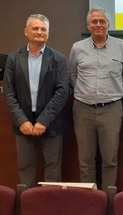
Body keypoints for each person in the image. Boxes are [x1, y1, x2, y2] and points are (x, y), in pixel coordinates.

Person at [69, 7, 123, 190]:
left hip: (111, 109)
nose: (98, 24)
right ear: (88, 25)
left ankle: (108, 200)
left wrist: (114, 93)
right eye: (94, 21)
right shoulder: (77, 48)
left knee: (110, 159)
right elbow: (72, 75)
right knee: (85, 160)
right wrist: (84, 93)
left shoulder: (121, 46)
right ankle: (89, 201)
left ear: (108, 24)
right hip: (83, 110)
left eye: (102, 21)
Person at [3, 14, 69, 188]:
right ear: (26, 31)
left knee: (53, 170)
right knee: (25, 169)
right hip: (23, 123)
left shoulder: (58, 59)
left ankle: (53, 208)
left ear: (48, 33)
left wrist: (43, 121)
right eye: (35, 28)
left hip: (51, 123)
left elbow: (62, 91)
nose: (39, 32)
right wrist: (22, 121)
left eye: (43, 29)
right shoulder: (14, 58)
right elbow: (9, 92)